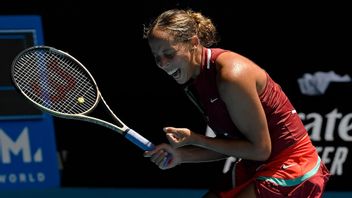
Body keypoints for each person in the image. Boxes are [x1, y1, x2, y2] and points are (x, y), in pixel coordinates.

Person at [143, 8, 330, 198]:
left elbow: (260, 150)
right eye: (156, 57)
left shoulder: (231, 76)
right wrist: (182, 155)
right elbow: (234, 144)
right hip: (257, 164)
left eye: (169, 53)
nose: (162, 63)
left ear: (193, 42)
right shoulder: (195, 79)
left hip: (293, 166)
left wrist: (196, 139)